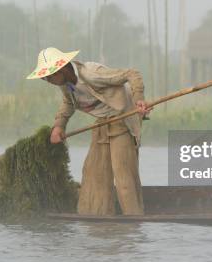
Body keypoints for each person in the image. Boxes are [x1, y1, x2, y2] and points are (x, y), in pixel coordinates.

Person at [26, 47, 151, 216]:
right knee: (93, 173)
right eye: (44, 78)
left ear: (62, 69)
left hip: (123, 118)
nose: (48, 80)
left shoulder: (92, 74)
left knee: (124, 177)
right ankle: (97, 219)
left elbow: (132, 74)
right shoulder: (65, 84)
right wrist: (59, 126)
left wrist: (139, 100)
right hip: (102, 124)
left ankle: (133, 220)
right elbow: (69, 103)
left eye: (49, 76)